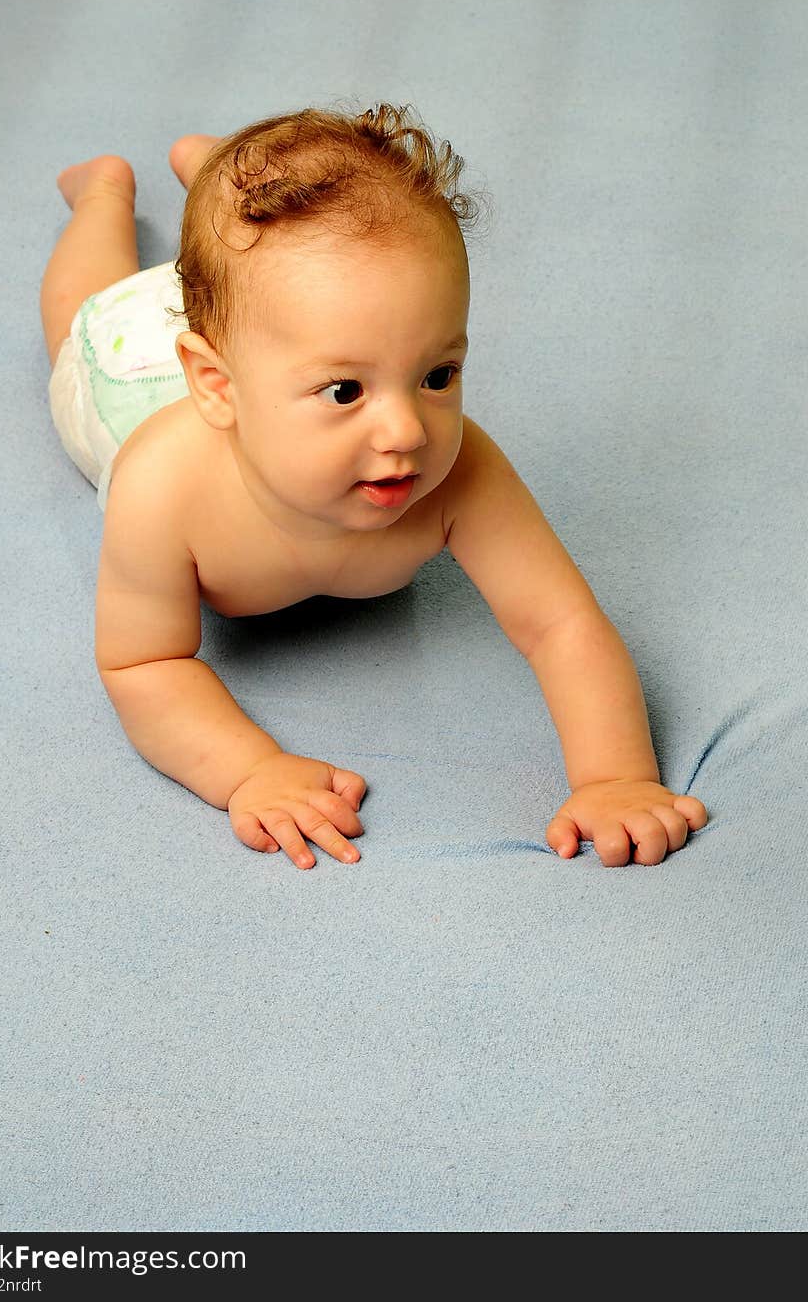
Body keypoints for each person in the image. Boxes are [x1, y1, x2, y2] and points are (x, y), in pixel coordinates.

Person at [41, 102, 708, 870]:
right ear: (217, 386)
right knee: (82, 310)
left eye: (436, 374)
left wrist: (616, 775)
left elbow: (561, 624)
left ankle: (223, 186)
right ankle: (104, 195)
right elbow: (144, 664)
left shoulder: (459, 471)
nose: (407, 433)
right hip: (130, 378)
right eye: (346, 392)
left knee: (269, 270)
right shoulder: (161, 490)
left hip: (274, 335)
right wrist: (249, 769)